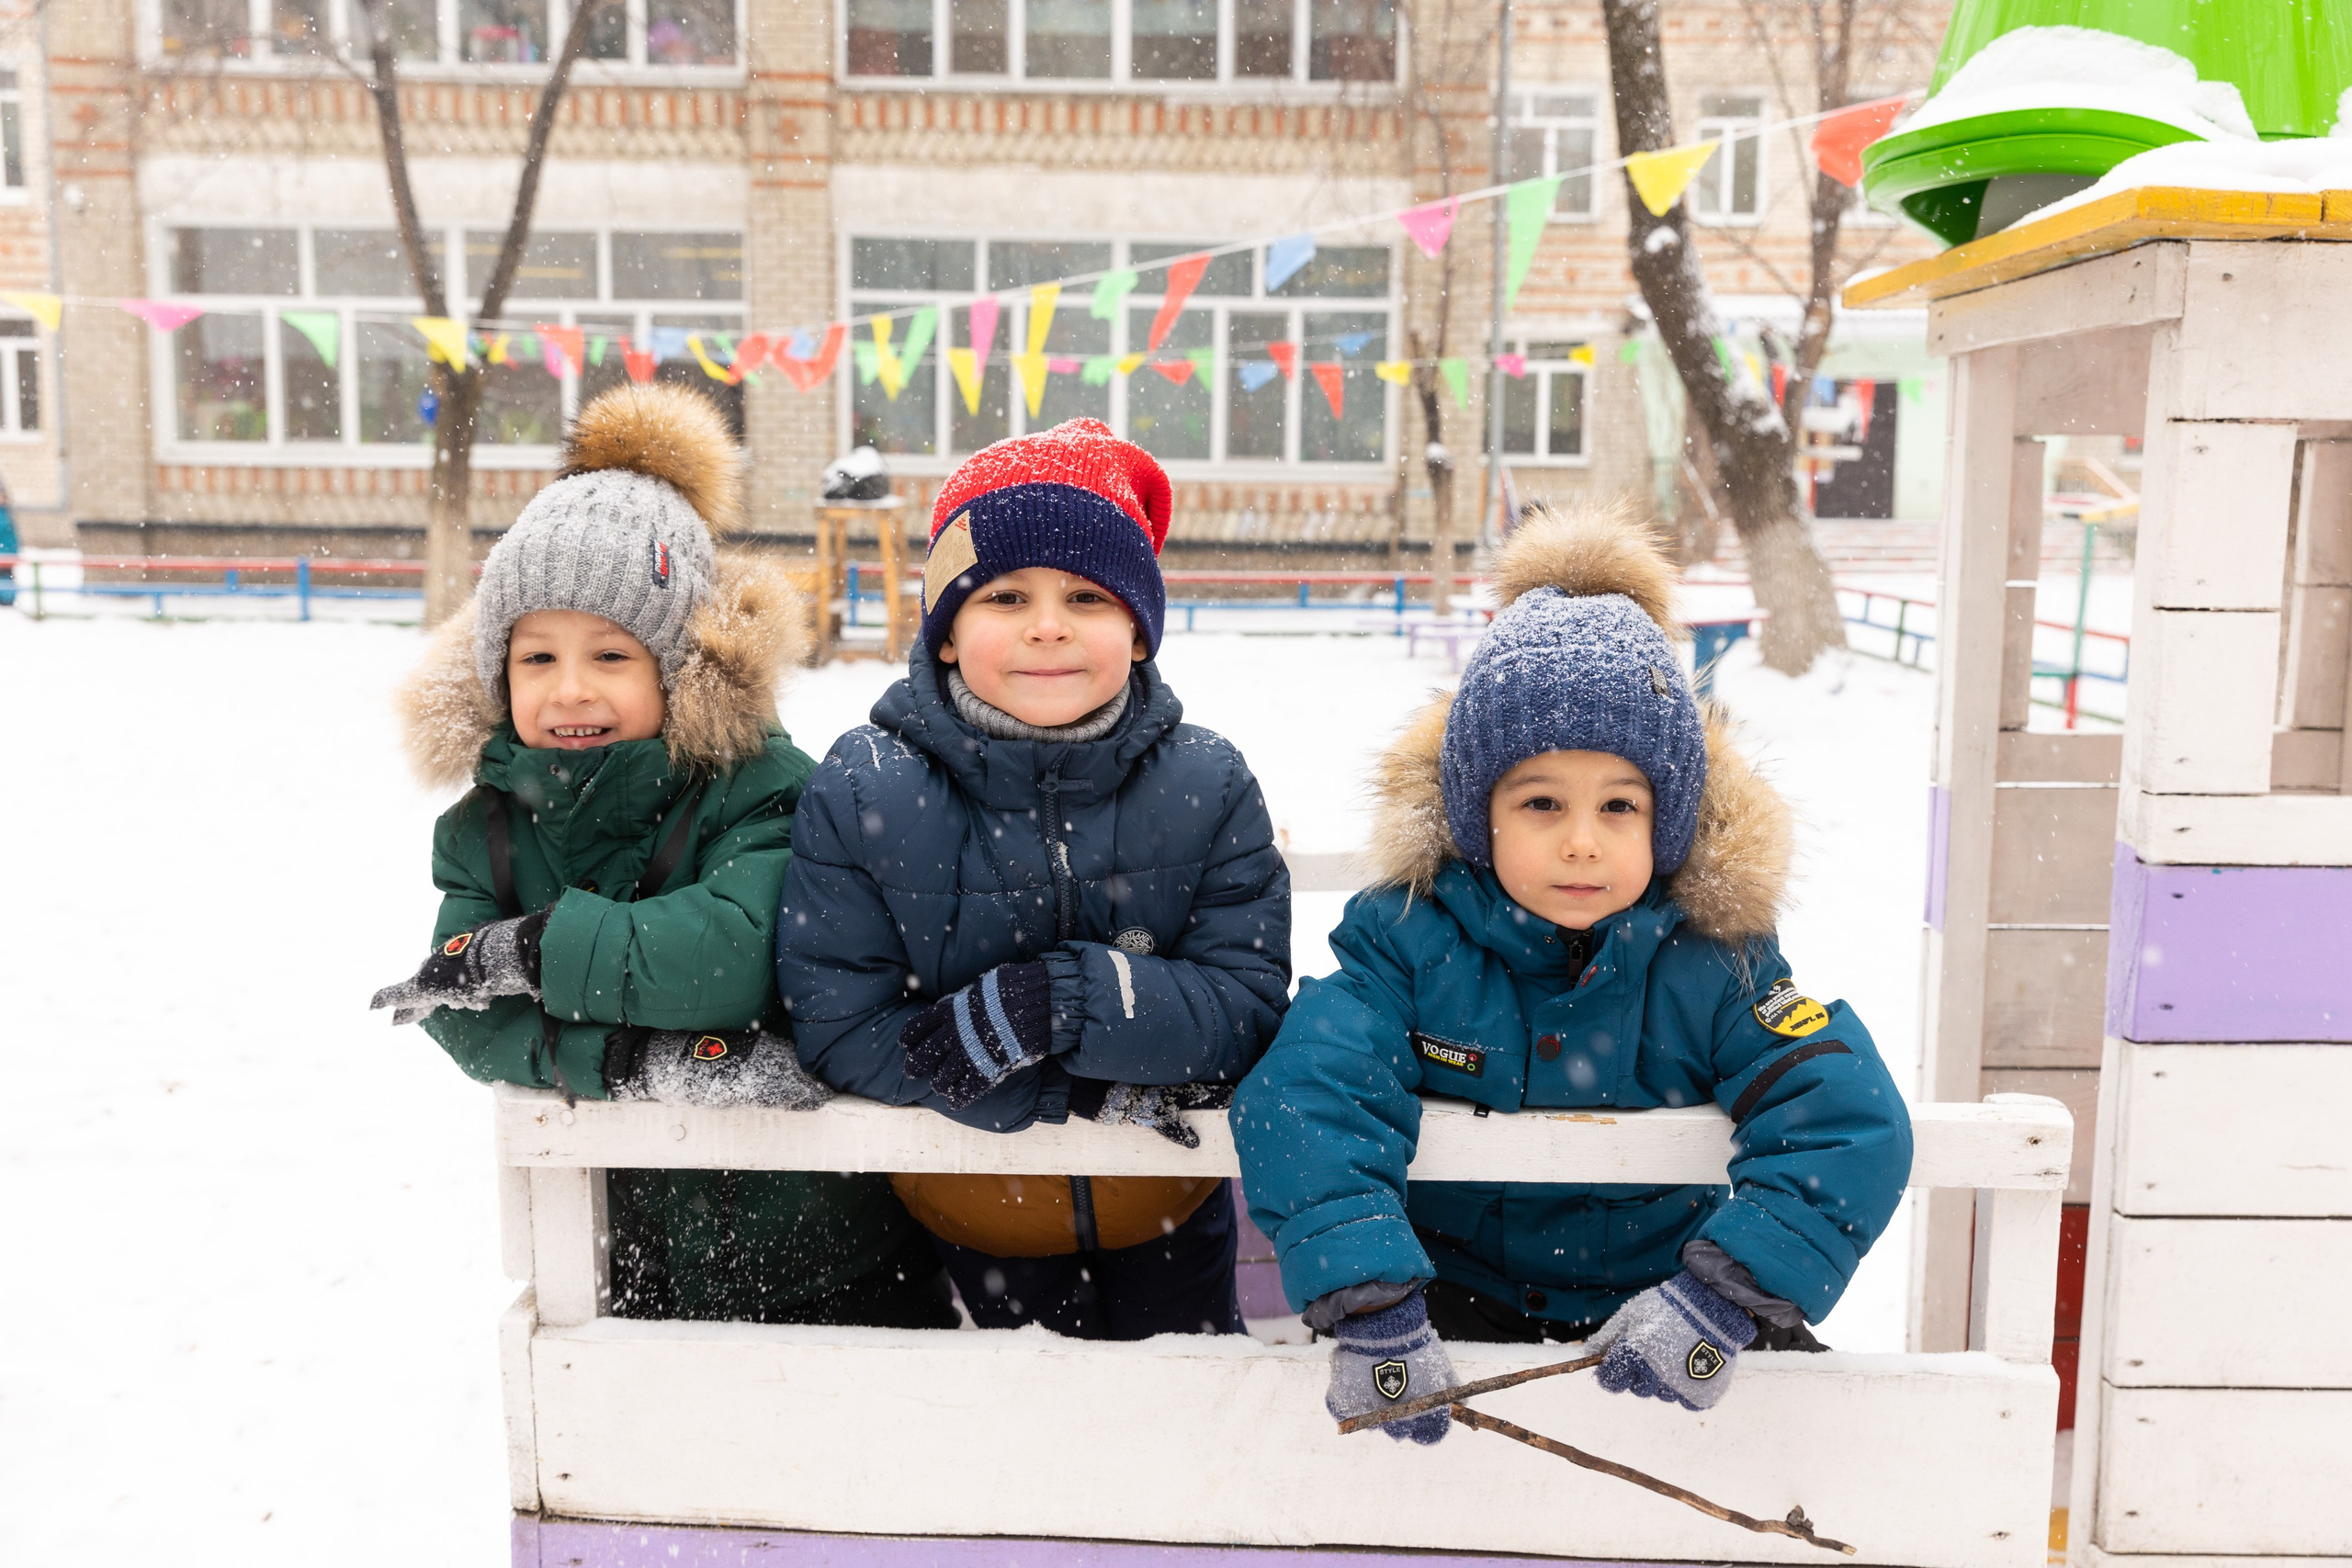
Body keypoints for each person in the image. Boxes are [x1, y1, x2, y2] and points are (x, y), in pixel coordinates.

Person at [1232, 501, 1912, 1443]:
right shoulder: (1407, 943)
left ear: (1665, 820)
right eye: (1543, 802)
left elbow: (1844, 1117)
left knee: (1832, 1452)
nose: (1583, 842)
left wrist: (1726, 1296)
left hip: (1666, 1301)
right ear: (1480, 817)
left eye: (1621, 807)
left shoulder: (1715, 961)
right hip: (1450, 1305)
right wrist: (1370, 1297)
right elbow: (1308, 1093)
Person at [369, 381, 953, 1329]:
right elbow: (465, 1014)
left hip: (825, 1249)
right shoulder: (484, 827)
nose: (568, 690)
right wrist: (636, 1060)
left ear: (677, 664)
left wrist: (533, 952)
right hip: (629, 1261)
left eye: (610, 656)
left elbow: (729, 956)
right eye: (535, 658)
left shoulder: (757, 785)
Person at [776, 417, 1291, 1341]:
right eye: (1005, 597)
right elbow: (839, 1026)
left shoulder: (1208, 785)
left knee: (1189, 1446)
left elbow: (1245, 1010)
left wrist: (1062, 1002)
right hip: (970, 1217)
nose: (1048, 626)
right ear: (943, 634)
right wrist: (1068, 1093)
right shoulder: (863, 788)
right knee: (1011, 1460)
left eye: (1089, 597)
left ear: (1138, 633)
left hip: (1170, 1211)